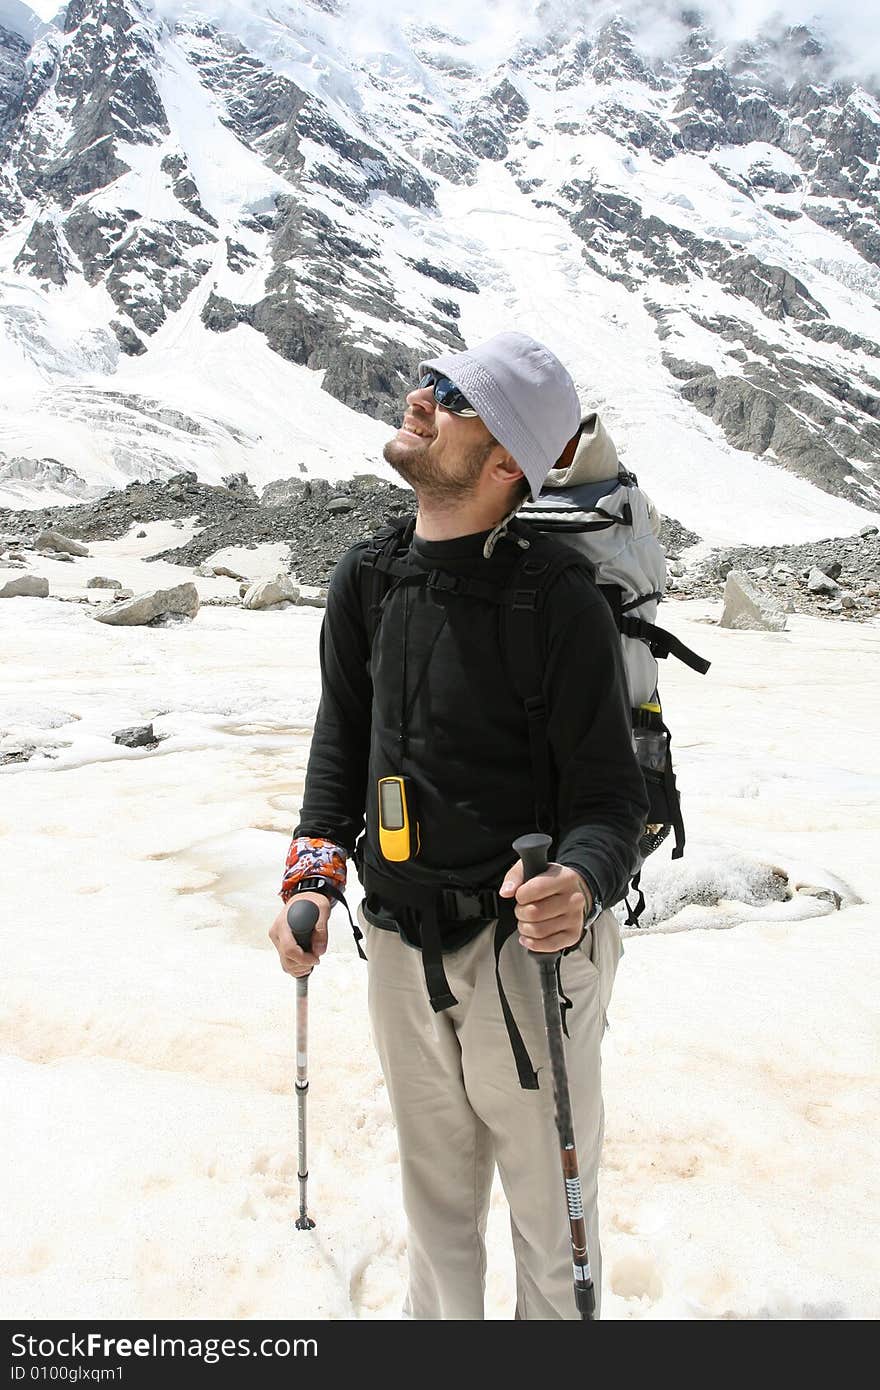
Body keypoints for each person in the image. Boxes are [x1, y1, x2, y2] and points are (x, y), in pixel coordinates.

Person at [269, 331, 648, 1319]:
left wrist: (579, 879)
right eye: (429, 379)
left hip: (527, 954)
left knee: (548, 1222)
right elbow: (339, 754)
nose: (419, 396)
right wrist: (313, 877)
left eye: (452, 395)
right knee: (434, 1216)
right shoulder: (368, 578)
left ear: (505, 462)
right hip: (399, 941)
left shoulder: (556, 599)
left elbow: (611, 802)